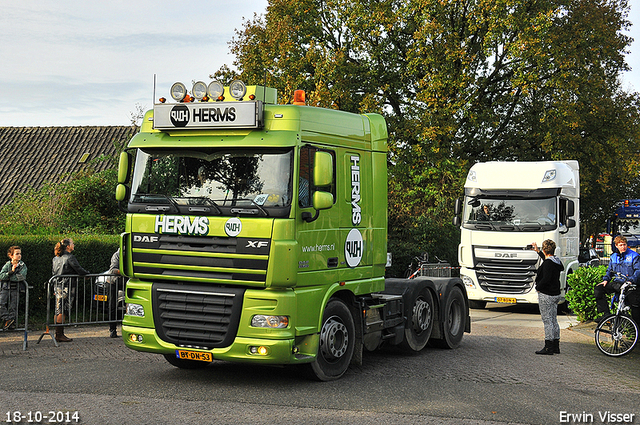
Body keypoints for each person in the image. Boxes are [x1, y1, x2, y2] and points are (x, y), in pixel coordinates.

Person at [594, 235, 640, 326]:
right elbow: (610, 271)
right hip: (618, 284)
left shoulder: (634, 256)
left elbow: (638, 271)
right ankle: (606, 315)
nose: (623, 247)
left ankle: (636, 332)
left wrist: (631, 281)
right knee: (599, 289)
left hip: (631, 285)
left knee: (635, 308)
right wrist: (606, 280)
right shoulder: (613, 257)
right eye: (621, 245)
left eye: (624, 245)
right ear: (616, 246)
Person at [52, 238, 90, 342]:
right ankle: (59, 334)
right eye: (72, 243)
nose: (74, 245)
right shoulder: (69, 257)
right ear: (68, 246)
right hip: (66, 286)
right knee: (62, 310)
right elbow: (78, 269)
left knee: (58, 309)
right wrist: (87, 274)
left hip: (57, 285)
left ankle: (58, 333)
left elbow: (54, 272)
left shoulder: (56, 258)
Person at [531, 240, 564, 355]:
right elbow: (548, 260)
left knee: (547, 321)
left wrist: (538, 287)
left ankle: (548, 346)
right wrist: (538, 251)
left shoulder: (547, 264)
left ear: (545, 250)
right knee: (554, 319)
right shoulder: (557, 261)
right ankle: (556, 345)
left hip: (546, 294)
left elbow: (545, 278)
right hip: (556, 294)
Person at [0, 246, 27, 331]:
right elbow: (1, 275)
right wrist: (10, 272)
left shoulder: (22, 265)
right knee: (1, 303)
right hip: (5, 288)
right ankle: (7, 319)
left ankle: (11, 324)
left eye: (20, 253)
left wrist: (8, 277)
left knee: (13, 306)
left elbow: (21, 277)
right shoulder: (7, 265)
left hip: (16, 288)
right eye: (17, 254)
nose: (19, 255)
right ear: (11, 255)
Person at [106, 249, 120, 338]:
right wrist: (125, 271)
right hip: (112, 282)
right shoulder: (117, 255)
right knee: (112, 306)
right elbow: (113, 270)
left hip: (124, 281)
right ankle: (112, 330)